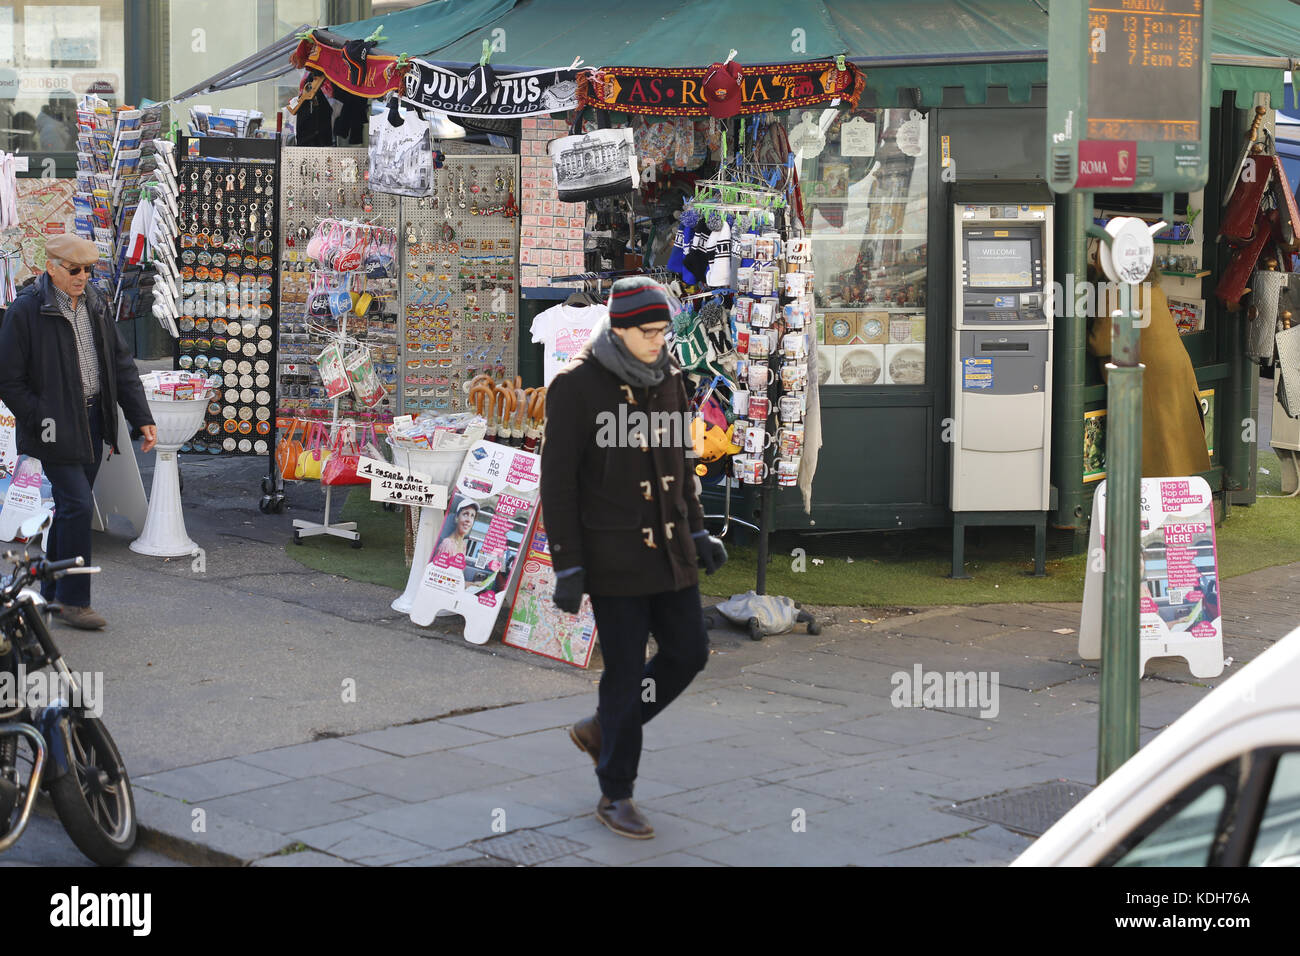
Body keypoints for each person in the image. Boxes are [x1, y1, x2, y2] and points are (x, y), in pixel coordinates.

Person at [541, 276, 728, 839]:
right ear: (618, 329)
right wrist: (567, 562)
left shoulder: (669, 376)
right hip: (613, 554)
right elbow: (559, 484)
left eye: (663, 330)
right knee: (624, 672)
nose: (658, 340)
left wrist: (697, 533)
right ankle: (615, 792)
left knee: (689, 652)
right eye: (648, 332)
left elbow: (677, 464)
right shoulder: (575, 387)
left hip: (672, 549)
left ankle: (603, 729)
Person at [0, 235, 156, 630]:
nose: (83, 277)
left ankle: (48, 592)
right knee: (78, 506)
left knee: (73, 508)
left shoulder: (96, 303)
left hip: (92, 420)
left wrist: (141, 417)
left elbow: (121, 364)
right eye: (75, 270)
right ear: (52, 267)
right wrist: (39, 416)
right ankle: (75, 601)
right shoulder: (25, 310)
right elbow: (9, 380)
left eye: (88, 269)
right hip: (53, 428)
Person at [1087, 249, 1211, 478]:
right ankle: (1182, 500)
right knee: (1177, 445)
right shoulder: (1150, 286)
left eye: (1097, 255)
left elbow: (1100, 343)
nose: (1094, 259)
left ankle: (1157, 506)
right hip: (1175, 369)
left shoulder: (1116, 290)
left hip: (1150, 378)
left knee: (1159, 450)